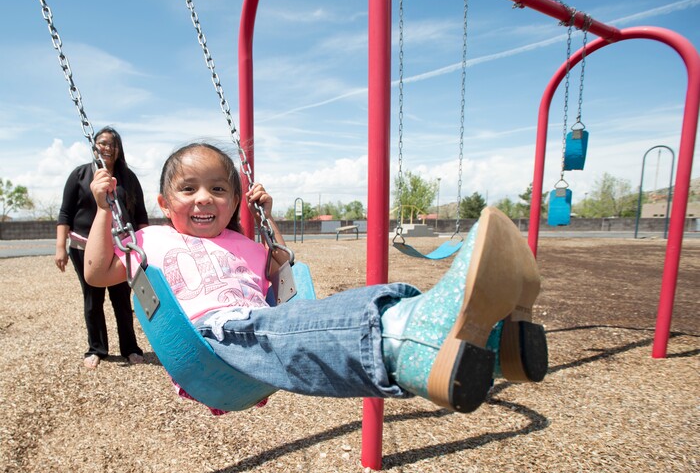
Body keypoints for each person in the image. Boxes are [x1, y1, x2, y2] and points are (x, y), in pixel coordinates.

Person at [84, 142, 547, 414]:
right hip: (208, 338)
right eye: (188, 189)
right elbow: (99, 271)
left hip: (258, 327)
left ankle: (492, 347)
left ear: (234, 200)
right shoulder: (150, 239)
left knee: (314, 316)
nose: (204, 199)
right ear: (165, 203)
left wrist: (267, 218)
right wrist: (106, 211)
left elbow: (280, 271)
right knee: (278, 326)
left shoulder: (245, 243)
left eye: (218, 189)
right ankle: (412, 334)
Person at [55, 126, 149, 369]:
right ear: (94, 146)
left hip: (120, 246)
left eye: (113, 144)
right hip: (84, 245)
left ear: (119, 150)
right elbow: (65, 213)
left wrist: (144, 246)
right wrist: (60, 248)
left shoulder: (128, 178)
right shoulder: (80, 175)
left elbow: (140, 215)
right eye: (102, 142)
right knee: (92, 299)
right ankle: (97, 348)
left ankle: (130, 348)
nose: (107, 147)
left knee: (121, 299)